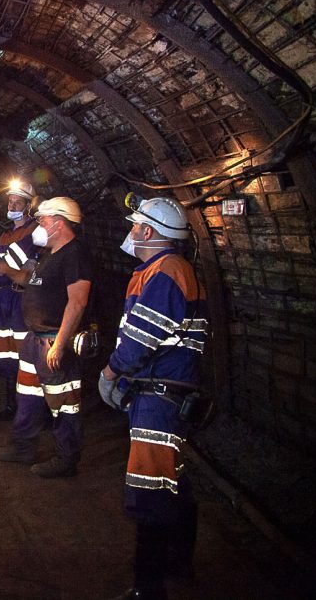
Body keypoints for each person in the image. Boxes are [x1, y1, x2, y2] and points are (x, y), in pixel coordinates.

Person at [98, 197, 205, 600]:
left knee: (151, 486)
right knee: (173, 479)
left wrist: (111, 373)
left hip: (160, 397)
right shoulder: (162, 271)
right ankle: (179, 563)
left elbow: (142, 337)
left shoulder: (166, 272)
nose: (130, 232)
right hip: (165, 392)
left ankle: (149, 587)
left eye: (135, 226)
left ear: (148, 231)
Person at [0, 197, 92, 478]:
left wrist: (61, 344)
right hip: (34, 339)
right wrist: (6, 271)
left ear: (59, 223)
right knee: (27, 395)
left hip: (53, 340)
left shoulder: (74, 255)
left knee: (63, 402)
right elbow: (31, 282)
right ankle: (23, 446)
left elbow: (77, 302)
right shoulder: (49, 254)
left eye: (43, 220)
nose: (38, 225)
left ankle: (66, 458)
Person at [0, 180, 38, 420]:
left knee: (26, 356)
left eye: (18, 202)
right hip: (3, 298)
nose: (12, 204)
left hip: (21, 298)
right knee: (6, 355)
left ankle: (34, 411)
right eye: (10, 201)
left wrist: (0, 265)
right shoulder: (6, 234)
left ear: (28, 206)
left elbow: (11, 266)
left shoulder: (35, 231)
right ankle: (11, 406)